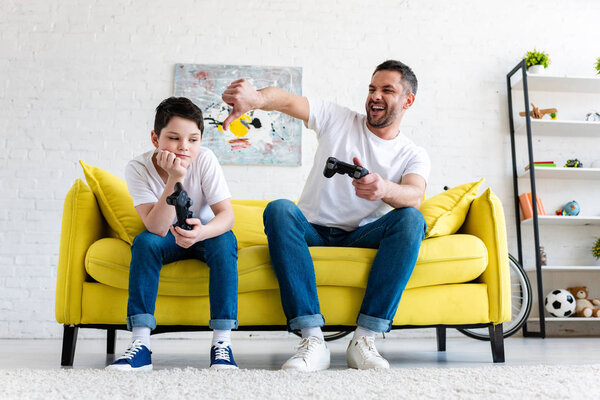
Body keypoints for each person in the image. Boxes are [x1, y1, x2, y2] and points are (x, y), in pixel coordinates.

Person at [221, 60, 429, 371]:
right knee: (279, 209)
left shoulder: (412, 153)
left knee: (412, 219)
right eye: (372, 88)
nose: (375, 96)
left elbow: (415, 194)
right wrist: (258, 99)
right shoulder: (339, 118)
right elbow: (289, 101)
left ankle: (365, 339)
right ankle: (312, 339)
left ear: (407, 100)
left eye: (387, 90)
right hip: (313, 230)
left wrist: (384, 188)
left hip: (364, 235)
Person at [107, 97, 239, 371]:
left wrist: (202, 233)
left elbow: (227, 216)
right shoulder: (138, 168)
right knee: (145, 243)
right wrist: (174, 178)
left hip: (203, 234)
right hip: (165, 235)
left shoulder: (206, 160)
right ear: (155, 138)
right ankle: (141, 343)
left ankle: (222, 344)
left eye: (193, 139)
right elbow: (154, 227)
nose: (184, 147)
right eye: (174, 138)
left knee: (225, 240)